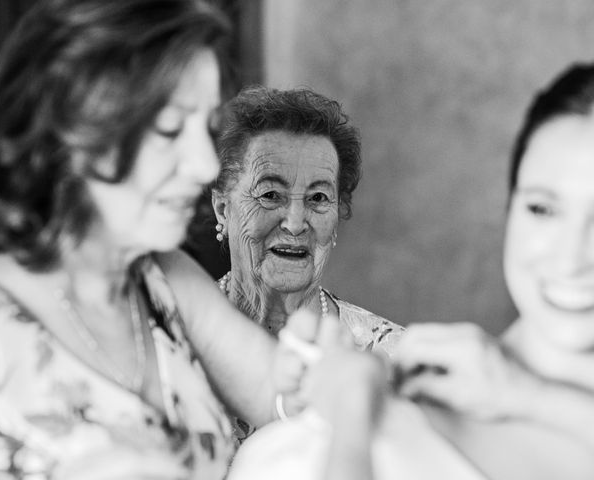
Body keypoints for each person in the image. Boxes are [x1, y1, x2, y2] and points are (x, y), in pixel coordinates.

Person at [0, 1, 290, 478]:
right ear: (74, 131)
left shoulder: (160, 277)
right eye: (170, 130)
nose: (205, 165)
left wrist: (344, 379)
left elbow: (288, 401)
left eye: (209, 129)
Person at [229, 63, 594, 480]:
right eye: (542, 208)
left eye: (318, 198)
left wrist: (527, 396)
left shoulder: (386, 354)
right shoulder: (363, 425)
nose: (571, 257)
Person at [211, 85, 403, 348]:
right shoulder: (166, 341)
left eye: (318, 198)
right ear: (222, 209)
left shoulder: (388, 359)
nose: (295, 224)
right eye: (270, 195)